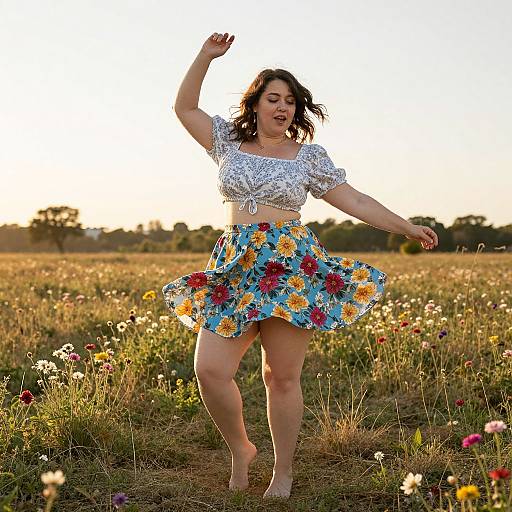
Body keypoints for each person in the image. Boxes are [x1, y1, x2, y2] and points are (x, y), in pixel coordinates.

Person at [162, 32, 439, 499]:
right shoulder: (227, 141)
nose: (282, 107)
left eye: (290, 101)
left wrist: (405, 227)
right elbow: (184, 108)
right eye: (273, 98)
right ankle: (241, 450)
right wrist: (205, 57)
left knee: (281, 376)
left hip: (289, 265)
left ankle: (283, 471)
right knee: (210, 370)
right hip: (236, 263)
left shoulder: (307, 156)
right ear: (255, 104)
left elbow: (353, 199)